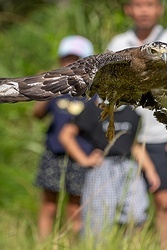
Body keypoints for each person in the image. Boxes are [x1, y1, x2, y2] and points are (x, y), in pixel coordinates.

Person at [106, 0, 167, 247]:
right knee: (125, 206)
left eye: (150, 4)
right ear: (128, 9)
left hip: (161, 133)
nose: (144, 10)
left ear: (160, 8)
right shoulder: (118, 43)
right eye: (138, 4)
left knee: (165, 202)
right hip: (126, 136)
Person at [59, 97, 160, 236]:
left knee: (137, 215)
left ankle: (127, 244)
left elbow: (134, 145)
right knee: (99, 219)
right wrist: (84, 159)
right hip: (103, 167)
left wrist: (150, 170)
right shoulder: (93, 110)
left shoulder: (132, 112)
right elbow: (66, 135)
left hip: (128, 167)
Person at [34, 35, 96, 240]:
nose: (70, 64)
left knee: (75, 206)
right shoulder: (54, 87)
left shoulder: (92, 92)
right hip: (54, 152)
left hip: (81, 155)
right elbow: (37, 114)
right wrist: (44, 90)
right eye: (66, 59)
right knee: (49, 203)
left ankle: (71, 243)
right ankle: (43, 243)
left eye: (77, 60)